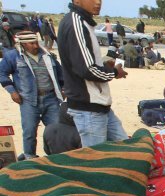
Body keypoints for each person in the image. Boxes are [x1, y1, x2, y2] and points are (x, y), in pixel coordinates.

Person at [57, 0, 128, 147]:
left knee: (125, 149)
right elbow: (86, 69)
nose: (98, 2)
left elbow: (82, 62)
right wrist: (114, 72)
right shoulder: (76, 23)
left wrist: (105, 66)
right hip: (88, 108)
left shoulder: (84, 22)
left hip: (99, 105)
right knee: (96, 161)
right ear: (77, 1)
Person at [0, 31, 64, 159]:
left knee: (57, 130)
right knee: (29, 132)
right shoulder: (13, 56)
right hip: (28, 100)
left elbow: (60, 73)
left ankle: (57, 157)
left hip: (51, 99)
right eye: (32, 43)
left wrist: (63, 89)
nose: (35, 46)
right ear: (23, 44)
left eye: (36, 42)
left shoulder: (48, 55)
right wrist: (12, 91)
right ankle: (30, 158)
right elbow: (2, 73)